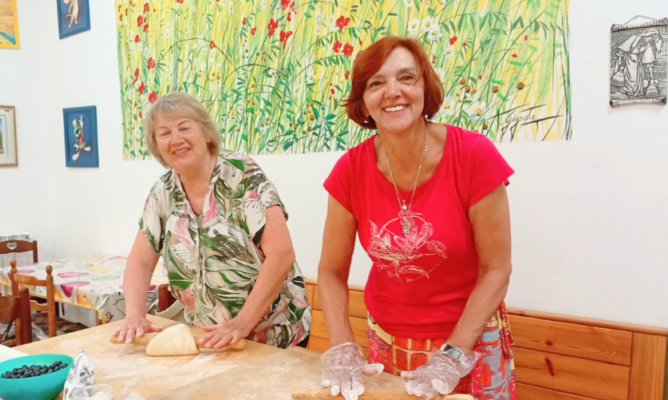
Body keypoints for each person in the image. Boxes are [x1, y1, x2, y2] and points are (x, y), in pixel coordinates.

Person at [317, 36, 515, 399]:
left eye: (406, 78)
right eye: (376, 83)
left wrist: (452, 357)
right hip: (387, 342)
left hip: (469, 344)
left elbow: (496, 269)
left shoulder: (474, 156)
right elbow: (330, 272)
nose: (393, 91)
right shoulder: (349, 171)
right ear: (363, 102)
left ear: (426, 88)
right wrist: (342, 345)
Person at [114, 92, 311, 350]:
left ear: (206, 133)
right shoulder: (163, 192)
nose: (176, 139)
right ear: (156, 145)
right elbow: (141, 260)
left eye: (184, 127)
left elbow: (281, 254)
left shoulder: (242, 176)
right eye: (164, 133)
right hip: (210, 337)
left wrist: (242, 323)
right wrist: (134, 316)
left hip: (274, 334)